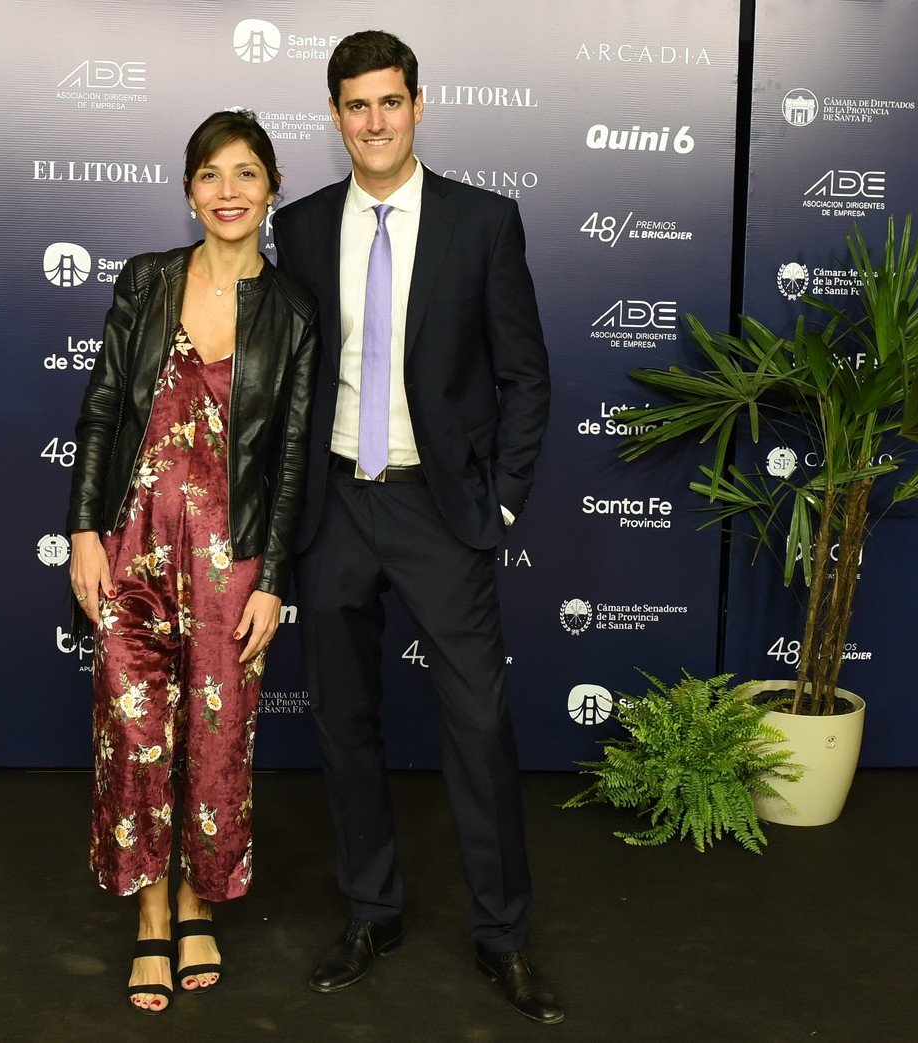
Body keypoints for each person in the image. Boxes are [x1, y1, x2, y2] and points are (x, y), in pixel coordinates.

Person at [271, 31, 563, 1025]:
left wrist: (503, 501)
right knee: (342, 723)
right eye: (354, 106)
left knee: (478, 725)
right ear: (336, 115)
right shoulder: (301, 227)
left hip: (440, 509)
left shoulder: (482, 221)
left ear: (418, 105)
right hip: (335, 508)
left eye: (389, 102)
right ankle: (370, 911)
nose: (374, 121)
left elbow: (526, 374)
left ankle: (502, 934)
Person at [67, 110, 318, 1015]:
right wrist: (84, 531)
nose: (227, 191)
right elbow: (101, 410)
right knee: (135, 737)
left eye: (246, 173)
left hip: (233, 562)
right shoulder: (146, 283)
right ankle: (146, 918)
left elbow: (291, 458)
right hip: (131, 545)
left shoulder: (291, 311)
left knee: (218, 747)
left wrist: (278, 578)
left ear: (272, 189)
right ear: (188, 191)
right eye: (210, 174)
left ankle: (196, 900)